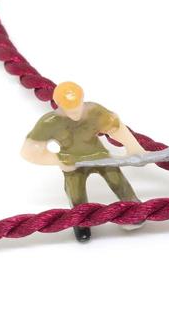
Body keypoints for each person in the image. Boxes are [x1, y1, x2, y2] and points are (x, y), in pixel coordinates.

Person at [20, 82, 145, 242]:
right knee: (76, 193)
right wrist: (59, 160)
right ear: (59, 106)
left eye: (78, 107)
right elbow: (30, 151)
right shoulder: (49, 122)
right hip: (72, 162)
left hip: (99, 155)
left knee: (117, 179)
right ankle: (80, 222)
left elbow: (116, 128)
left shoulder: (94, 111)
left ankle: (133, 209)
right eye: (70, 110)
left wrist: (134, 148)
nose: (75, 113)